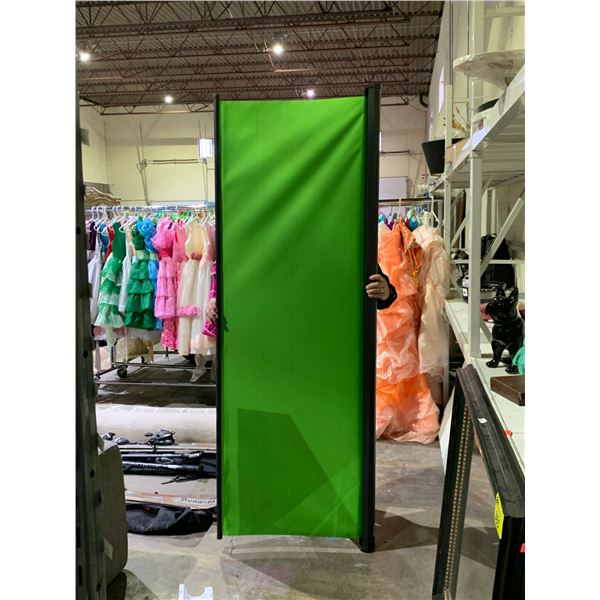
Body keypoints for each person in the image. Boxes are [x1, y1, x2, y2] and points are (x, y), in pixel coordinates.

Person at [203, 265, 396, 324]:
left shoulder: (347, 233)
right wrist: (217, 302)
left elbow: (382, 291)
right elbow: (241, 283)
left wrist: (386, 292)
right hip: (272, 335)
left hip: (326, 335)